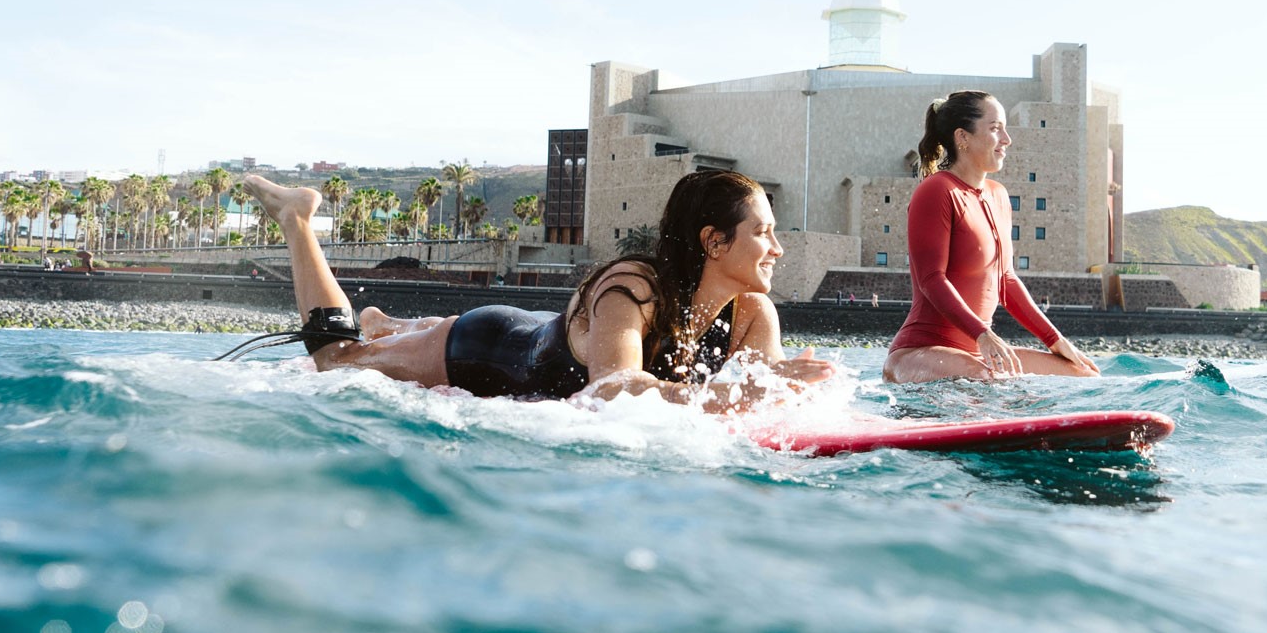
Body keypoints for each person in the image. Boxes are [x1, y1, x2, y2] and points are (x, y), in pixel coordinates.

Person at [240, 169, 840, 410]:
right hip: (492, 349)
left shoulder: (753, 315)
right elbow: (614, 389)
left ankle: (390, 325)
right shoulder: (631, 290)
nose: (778, 248)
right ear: (714, 241)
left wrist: (785, 390)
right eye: (763, 232)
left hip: (554, 330)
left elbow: (762, 404)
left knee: (369, 348)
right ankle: (297, 218)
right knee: (337, 362)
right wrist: (735, 397)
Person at [883, 91, 1101, 383]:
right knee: (984, 376)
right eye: (996, 128)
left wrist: (1056, 340)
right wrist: (983, 335)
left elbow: (1006, 281)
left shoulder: (998, 195)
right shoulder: (936, 191)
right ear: (963, 137)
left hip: (976, 355)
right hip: (919, 354)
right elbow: (931, 279)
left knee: (1083, 374)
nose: (1007, 139)